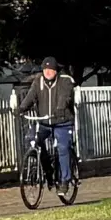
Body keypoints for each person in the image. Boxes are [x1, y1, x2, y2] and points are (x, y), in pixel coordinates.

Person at [26, 57, 79, 197]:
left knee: (63, 147)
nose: (48, 72)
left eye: (51, 70)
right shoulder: (38, 81)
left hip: (62, 122)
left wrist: (61, 108)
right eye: (45, 69)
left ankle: (65, 181)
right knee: (33, 140)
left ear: (56, 70)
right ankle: (47, 170)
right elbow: (30, 97)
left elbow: (65, 96)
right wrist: (20, 108)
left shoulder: (65, 81)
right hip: (44, 122)